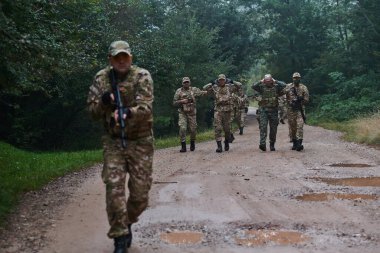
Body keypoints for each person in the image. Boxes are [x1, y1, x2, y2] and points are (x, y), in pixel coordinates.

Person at [87, 40, 154, 253]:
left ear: (131, 58)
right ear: (110, 59)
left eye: (125, 56)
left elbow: (146, 108)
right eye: (117, 57)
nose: (122, 60)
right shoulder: (101, 78)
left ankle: (127, 221)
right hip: (113, 141)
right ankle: (119, 236)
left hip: (140, 140)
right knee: (114, 187)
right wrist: (104, 101)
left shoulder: (142, 76)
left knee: (140, 195)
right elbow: (92, 112)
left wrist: (128, 112)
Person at [252, 74, 286, 151]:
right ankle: (262, 144)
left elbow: (284, 85)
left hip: (274, 110)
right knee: (263, 127)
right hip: (263, 110)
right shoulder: (261, 87)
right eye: (266, 81)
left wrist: (275, 81)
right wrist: (260, 81)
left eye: (269, 81)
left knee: (273, 129)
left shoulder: (276, 86)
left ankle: (272, 144)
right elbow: (253, 86)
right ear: (264, 81)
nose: (267, 82)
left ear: (271, 80)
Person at [173, 77, 207, 152]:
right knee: (183, 128)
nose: (186, 83)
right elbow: (174, 103)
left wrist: (208, 91)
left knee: (193, 129)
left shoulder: (194, 90)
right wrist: (182, 101)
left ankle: (192, 143)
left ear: (190, 82)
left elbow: (202, 93)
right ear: (182, 83)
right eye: (185, 82)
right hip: (182, 113)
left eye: (187, 82)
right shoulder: (179, 91)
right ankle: (183, 146)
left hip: (192, 113)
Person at [203, 74, 234, 152]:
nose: (221, 81)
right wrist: (211, 83)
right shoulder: (215, 88)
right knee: (218, 128)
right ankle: (219, 146)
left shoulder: (229, 87)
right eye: (220, 80)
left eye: (223, 79)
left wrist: (232, 81)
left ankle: (226, 142)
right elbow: (204, 88)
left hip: (227, 110)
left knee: (227, 129)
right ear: (218, 80)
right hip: (218, 110)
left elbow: (239, 86)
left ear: (225, 80)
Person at [284, 72, 309, 151]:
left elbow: (307, 99)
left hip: (299, 110)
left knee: (300, 126)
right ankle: (294, 143)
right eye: (295, 78)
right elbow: (281, 94)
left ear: (300, 78)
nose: (296, 79)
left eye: (297, 78)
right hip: (290, 110)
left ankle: (299, 143)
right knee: (292, 127)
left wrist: (301, 99)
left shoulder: (304, 88)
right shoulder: (288, 86)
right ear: (292, 78)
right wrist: (289, 101)